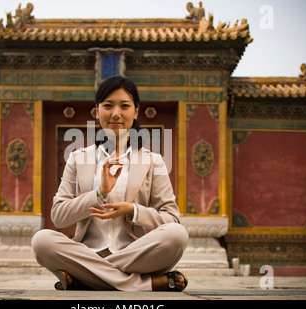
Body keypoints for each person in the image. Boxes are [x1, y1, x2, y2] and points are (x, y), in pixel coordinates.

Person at [31, 75, 189, 291]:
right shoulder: (78, 158)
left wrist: (132, 210)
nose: (116, 113)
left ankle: (86, 279)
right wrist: (99, 194)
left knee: (177, 235)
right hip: (87, 252)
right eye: (108, 105)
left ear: (135, 112)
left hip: (136, 253)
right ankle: (146, 284)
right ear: (97, 112)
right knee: (41, 241)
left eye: (125, 106)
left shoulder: (153, 161)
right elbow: (58, 215)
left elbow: (171, 218)